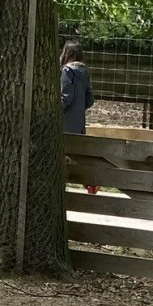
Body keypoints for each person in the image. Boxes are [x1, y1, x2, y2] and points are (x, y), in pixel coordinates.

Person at [61, 40, 98, 193]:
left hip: (64, 122)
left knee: (61, 156)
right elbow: (90, 99)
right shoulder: (85, 72)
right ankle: (90, 183)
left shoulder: (67, 71)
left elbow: (65, 98)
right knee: (77, 156)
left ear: (66, 53)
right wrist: (79, 109)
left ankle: (62, 186)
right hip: (79, 124)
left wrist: (53, 110)